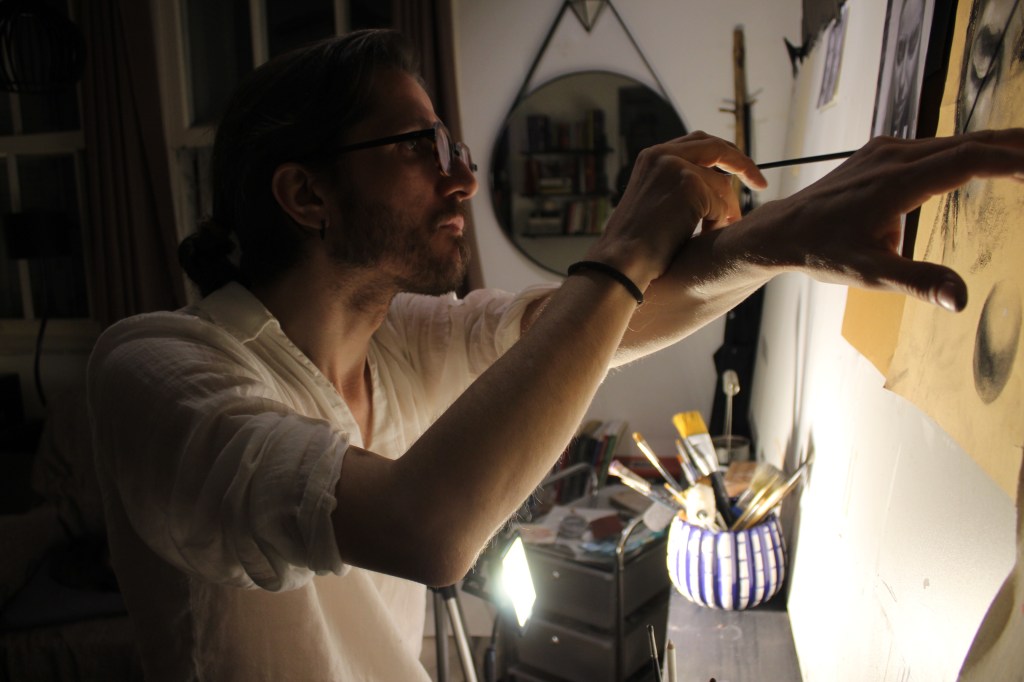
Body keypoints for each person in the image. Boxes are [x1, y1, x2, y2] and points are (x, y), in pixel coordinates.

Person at [86, 28, 1024, 681]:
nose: (462, 174)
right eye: (420, 146)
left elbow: (600, 326)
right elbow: (425, 530)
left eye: (452, 143)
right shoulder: (158, 369)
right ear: (305, 195)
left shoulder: (400, 334)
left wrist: (785, 235)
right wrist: (624, 248)